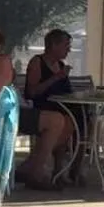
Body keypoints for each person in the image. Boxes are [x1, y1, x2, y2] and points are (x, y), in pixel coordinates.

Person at [19, 29, 75, 188]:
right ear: (53, 45)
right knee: (65, 122)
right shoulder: (37, 62)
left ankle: (61, 170)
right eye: (66, 45)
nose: (68, 49)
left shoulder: (61, 65)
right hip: (40, 107)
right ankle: (36, 170)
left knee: (78, 122)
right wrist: (56, 77)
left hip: (62, 107)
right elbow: (32, 92)